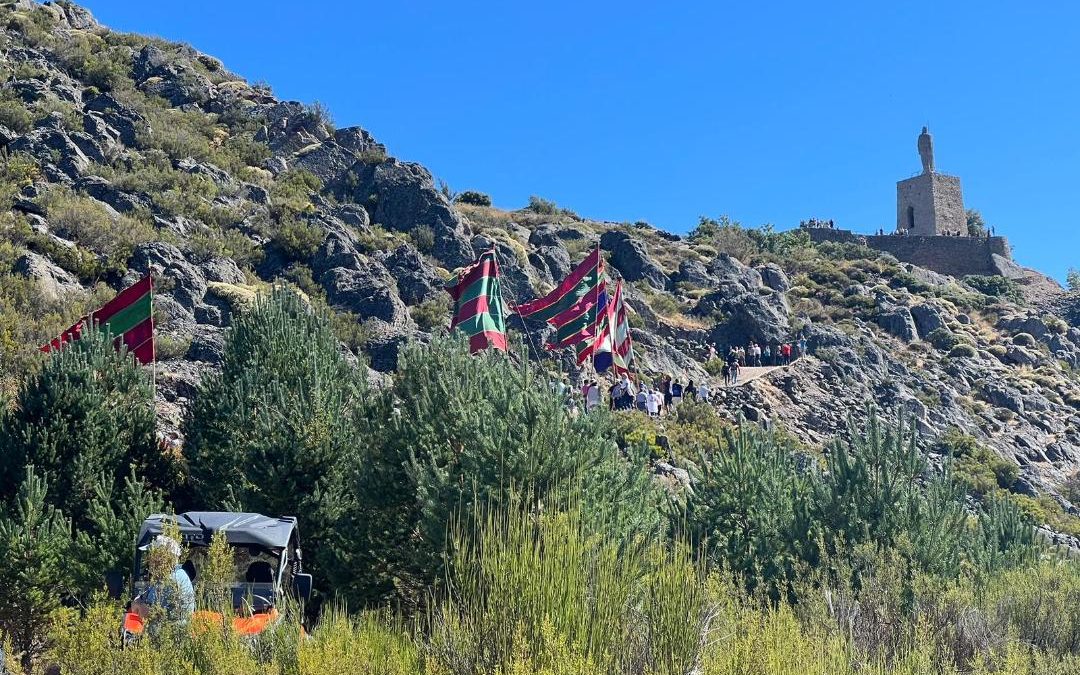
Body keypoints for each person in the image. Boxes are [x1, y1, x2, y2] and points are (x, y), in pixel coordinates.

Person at [133, 535, 195, 627]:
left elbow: (147, 614)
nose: (149, 559)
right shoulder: (179, 574)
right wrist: (141, 599)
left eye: (152, 554)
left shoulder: (168, 581)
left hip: (166, 637)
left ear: (162, 557)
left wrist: (138, 604)